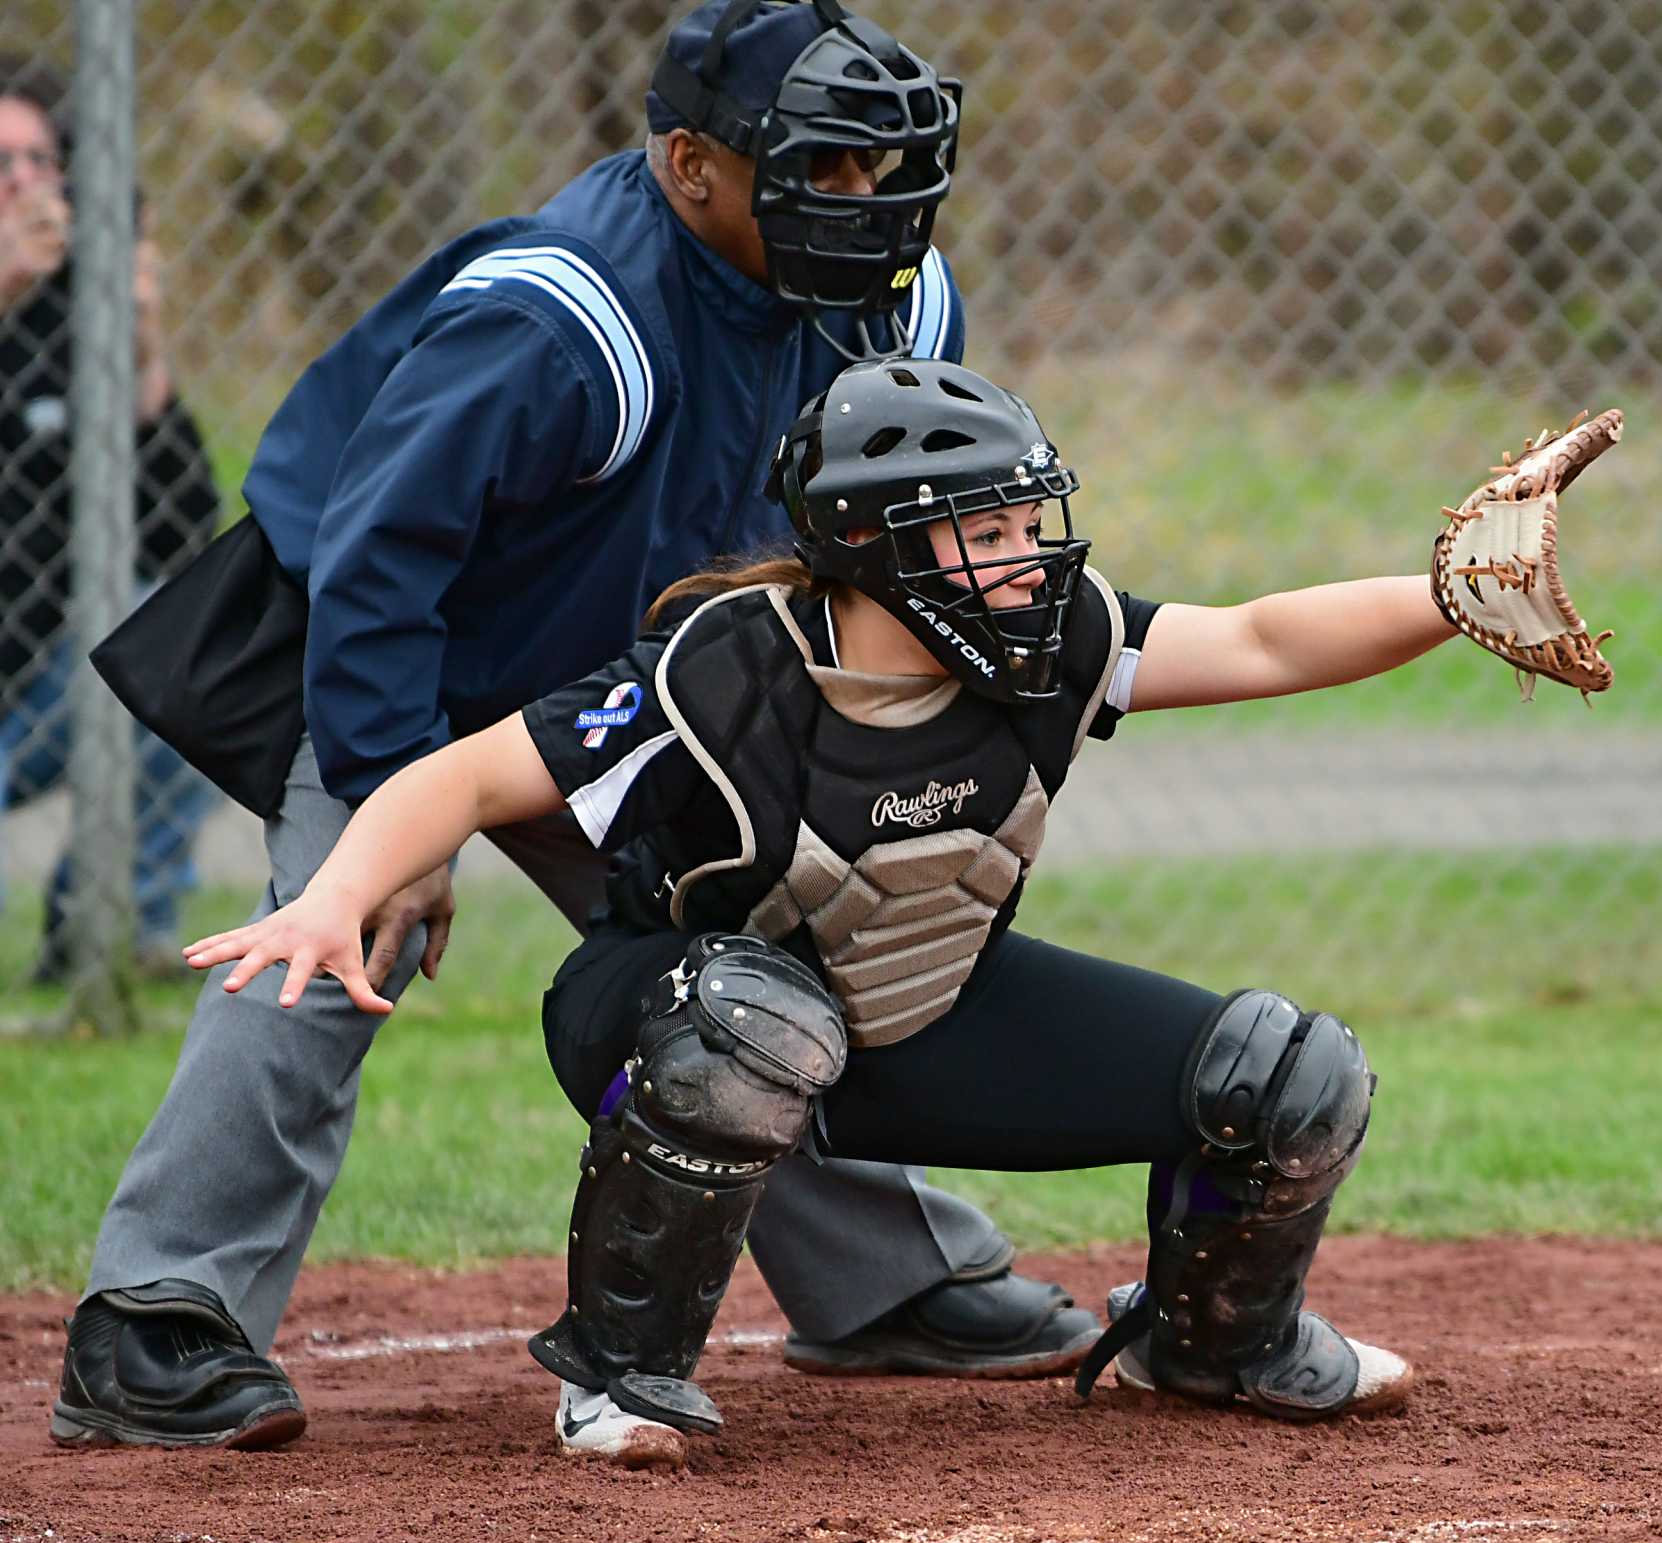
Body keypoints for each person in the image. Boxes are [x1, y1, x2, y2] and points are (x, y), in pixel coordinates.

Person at [50, 0, 1097, 1455]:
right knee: (336, 932)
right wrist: (387, 811)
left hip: (641, 684)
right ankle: (153, 1321)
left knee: (759, 949)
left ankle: (886, 1284)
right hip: (412, 668)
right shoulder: (564, 317)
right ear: (689, 165)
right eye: (828, 172)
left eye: (884, 171)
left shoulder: (896, 307)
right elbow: (376, 550)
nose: (873, 208)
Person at [175, 355, 1453, 1464]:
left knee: (1289, 1075)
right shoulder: (725, 667)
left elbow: (1261, 640)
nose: (1027, 559)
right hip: (671, 1015)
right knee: (749, 1023)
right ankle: (619, 1373)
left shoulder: (1046, 632)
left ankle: (1216, 1345)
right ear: (874, 543)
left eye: (1026, 525)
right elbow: (469, 772)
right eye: (986, 532)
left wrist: (1452, 600)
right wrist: (334, 895)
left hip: (929, 1017)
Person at [0, 57, 221, 982]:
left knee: (192, 640)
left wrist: (142, 345)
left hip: (41, 682)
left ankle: (107, 937)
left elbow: (182, 533)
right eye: (1, 171)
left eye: (41, 165)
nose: (27, 190)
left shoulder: (70, 315)